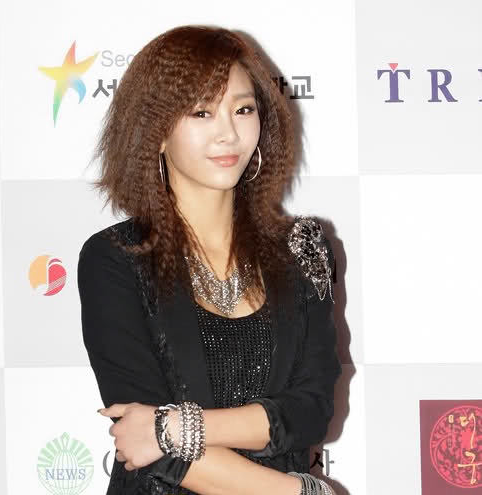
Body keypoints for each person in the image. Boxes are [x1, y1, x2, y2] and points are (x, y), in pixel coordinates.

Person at [77, 24, 342, 495]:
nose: (228, 133)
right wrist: (302, 492)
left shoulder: (303, 247)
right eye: (201, 112)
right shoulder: (115, 259)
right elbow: (145, 446)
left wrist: (177, 426)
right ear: (156, 132)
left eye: (243, 109)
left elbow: (311, 410)